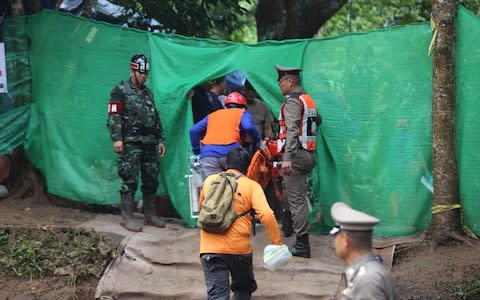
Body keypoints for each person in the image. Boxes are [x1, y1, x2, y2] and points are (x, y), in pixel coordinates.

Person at [199, 147, 282, 299]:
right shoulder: (251, 186)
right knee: (243, 289)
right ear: (247, 166)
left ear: (226, 163)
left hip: (209, 249)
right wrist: (276, 242)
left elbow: (202, 209)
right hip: (238, 250)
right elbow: (267, 214)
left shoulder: (210, 181)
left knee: (217, 295)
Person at [107, 53, 166, 232]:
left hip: (149, 141)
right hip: (130, 141)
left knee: (151, 178)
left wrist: (160, 139)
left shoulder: (148, 93)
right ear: (132, 70)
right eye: (140, 72)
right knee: (129, 178)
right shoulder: (121, 89)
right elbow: (113, 115)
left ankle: (150, 215)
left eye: (145, 73)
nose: (143, 76)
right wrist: (117, 138)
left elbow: (155, 117)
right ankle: (127, 217)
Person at [274, 64, 321, 258]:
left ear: (290, 81)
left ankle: (302, 245)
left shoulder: (293, 102)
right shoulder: (307, 100)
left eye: (280, 81)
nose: (279, 85)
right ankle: (287, 225)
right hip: (309, 154)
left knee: (297, 201)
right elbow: (319, 120)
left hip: (296, 156)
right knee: (292, 194)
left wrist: (287, 159)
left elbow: (292, 130)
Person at [330, 202, 398, 299]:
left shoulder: (367, 279)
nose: (334, 241)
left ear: (345, 241)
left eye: (335, 235)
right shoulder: (364, 271)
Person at [189, 91, 262, 180]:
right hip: (231, 154)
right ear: (244, 106)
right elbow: (248, 126)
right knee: (236, 187)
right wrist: (258, 140)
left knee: (212, 188)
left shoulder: (213, 114)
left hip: (209, 155)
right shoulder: (242, 113)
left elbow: (193, 130)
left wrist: (197, 151)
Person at [242, 80, 273, 156]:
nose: (251, 93)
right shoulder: (239, 104)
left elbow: (267, 127)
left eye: (253, 91)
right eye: (248, 90)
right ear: (244, 89)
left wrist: (268, 143)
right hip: (241, 144)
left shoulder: (262, 106)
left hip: (258, 144)